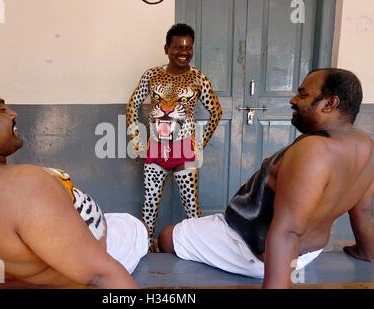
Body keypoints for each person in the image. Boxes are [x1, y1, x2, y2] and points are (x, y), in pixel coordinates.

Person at [158, 68, 374, 288]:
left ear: (330, 103)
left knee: (166, 237)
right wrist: (367, 252)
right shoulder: (366, 146)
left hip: (255, 253)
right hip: (307, 254)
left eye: (303, 94)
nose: (293, 100)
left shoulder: (314, 151)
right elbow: (363, 210)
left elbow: (288, 232)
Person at [0, 72, 148, 289]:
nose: (12, 114)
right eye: (1, 109)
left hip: (40, 262)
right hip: (104, 253)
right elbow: (103, 274)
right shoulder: (23, 188)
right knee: (136, 228)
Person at [126, 23, 223, 251]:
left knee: (191, 207)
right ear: (166, 48)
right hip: (155, 150)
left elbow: (216, 112)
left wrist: (200, 144)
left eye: (188, 48)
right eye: (178, 47)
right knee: (149, 207)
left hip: (184, 152)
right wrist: (137, 141)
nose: (184, 52)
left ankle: (196, 249)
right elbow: (133, 105)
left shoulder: (199, 79)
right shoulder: (152, 75)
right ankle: (146, 250)